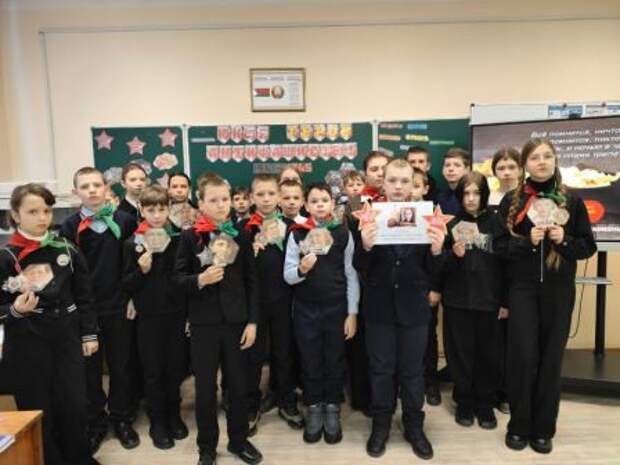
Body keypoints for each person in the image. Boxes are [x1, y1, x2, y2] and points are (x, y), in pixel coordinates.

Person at [495, 139, 596, 454]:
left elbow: (587, 247)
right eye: (535, 157)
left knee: (551, 361)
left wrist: (564, 240)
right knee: (522, 359)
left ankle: (543, 429)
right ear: (525, 164)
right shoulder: (512, 201)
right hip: (522, 291)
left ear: (555, 160)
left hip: (558, 292)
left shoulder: (573, 201)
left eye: (547, 156)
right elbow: (499, 248)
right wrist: (527, 241)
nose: (541, 162)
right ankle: (518, 426)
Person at [0, 183, 100, 465]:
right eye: (32, 212)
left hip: (66, 336)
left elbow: (85, 296)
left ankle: (79, 458)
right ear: (16, 215)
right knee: (40, 406)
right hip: (27, 340)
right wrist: (15, 310)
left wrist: (89, 334)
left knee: (75, 404)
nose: (42, 217)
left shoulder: (66, 248)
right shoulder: (5, 257)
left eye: (46, 210)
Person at [355, 160, 444, 460]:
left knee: (413, 372)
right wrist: (366, 246)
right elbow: (359, 265)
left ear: (412, 184)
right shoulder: (370, 216)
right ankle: (380, 425)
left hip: (414, 309)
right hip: (379, 309)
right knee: (381, 370)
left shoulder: (428, 217)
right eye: (392, 180)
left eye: (405, 181)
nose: (398, 186)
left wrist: (436, 251)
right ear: (383, 183)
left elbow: (435, 270)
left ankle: (414, 425)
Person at [174, 173, 263, 465]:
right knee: (205, 390)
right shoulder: (189, 237)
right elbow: (177, 279)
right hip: (204, 325)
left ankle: (238, 440)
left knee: (238, 386)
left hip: (237, 323)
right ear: (200, 203)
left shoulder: (242, 234)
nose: (221, 204)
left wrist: (252, 322)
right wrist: (200, 279)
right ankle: (207, 447)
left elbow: (252, 282)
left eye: (225, 199)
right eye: (213, 200)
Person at [61, 167, 139, 452]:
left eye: (97, 184)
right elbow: (67, 275)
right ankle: (96, 421)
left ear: (107, 187)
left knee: (122, 366)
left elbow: (134, 265)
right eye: (85, 186)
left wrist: (133, 297)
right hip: (86, 311)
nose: (92, 190)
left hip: (120, 306)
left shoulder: (125, 221)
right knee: (90, 371)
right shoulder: (69, 227)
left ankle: (122, 418)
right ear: (76, 192)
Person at [284, 182, 359, 444]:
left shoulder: (343, 233)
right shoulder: (296, 234)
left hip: (336, 308)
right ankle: (314, 407)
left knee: (334, 359)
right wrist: (302, 270)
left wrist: (352, 313)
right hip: (306, 310)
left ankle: (332, 408)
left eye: (324, 200)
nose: (319, 205)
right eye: (314, 201)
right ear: (306, 205)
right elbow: (288, 276)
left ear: (332, 204)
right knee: (310, 360)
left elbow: (351, 274)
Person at [122, 185, 188, 450]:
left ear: (169, 209)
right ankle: (157, 421)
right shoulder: (132, 243)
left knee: (175, 368)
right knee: (152, 370)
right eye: (151, 210)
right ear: (141, 210)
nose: (157, 215)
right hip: (148, 317)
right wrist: (142, 270)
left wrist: (187, 313)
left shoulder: (179, 239)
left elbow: (184, 277)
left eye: (162, 209)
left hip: (176, 314)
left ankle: (174, 414)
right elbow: (126, 283)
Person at [442, 172, 506, 430]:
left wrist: (505, 301)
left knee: (488, 354)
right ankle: (464, 401)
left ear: (484, 195)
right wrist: (453, 255)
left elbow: (507, 263)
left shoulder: (497, 222)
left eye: (476, 193)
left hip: (489, 300)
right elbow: (438, 265)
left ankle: (485, 403)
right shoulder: (451, 224)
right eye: (466, 193)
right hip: (458, 301)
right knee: (460, 354)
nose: (470, 198)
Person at [241, 174, 304, 434]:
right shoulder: (243, 228)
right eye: (260, 194)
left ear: (278, 196)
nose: (266, 199)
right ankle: (251, 405)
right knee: (253, 357)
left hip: (284, 300)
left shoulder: (292, 227)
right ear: (251, 198)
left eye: (271, 194)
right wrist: (250, 252)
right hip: (253, 303)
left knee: (284, 353)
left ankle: (286, 401)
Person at [426, 147, 471, 405]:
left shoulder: (474, 198)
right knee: (435, 329)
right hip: (439, 267)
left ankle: (461, 379)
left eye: (457, 165)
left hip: (465, 273)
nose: (451, 169)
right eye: (447, 165)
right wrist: (435, 284)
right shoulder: (438, 199)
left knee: (460, 331)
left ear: (467, 168)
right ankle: (433, 379)